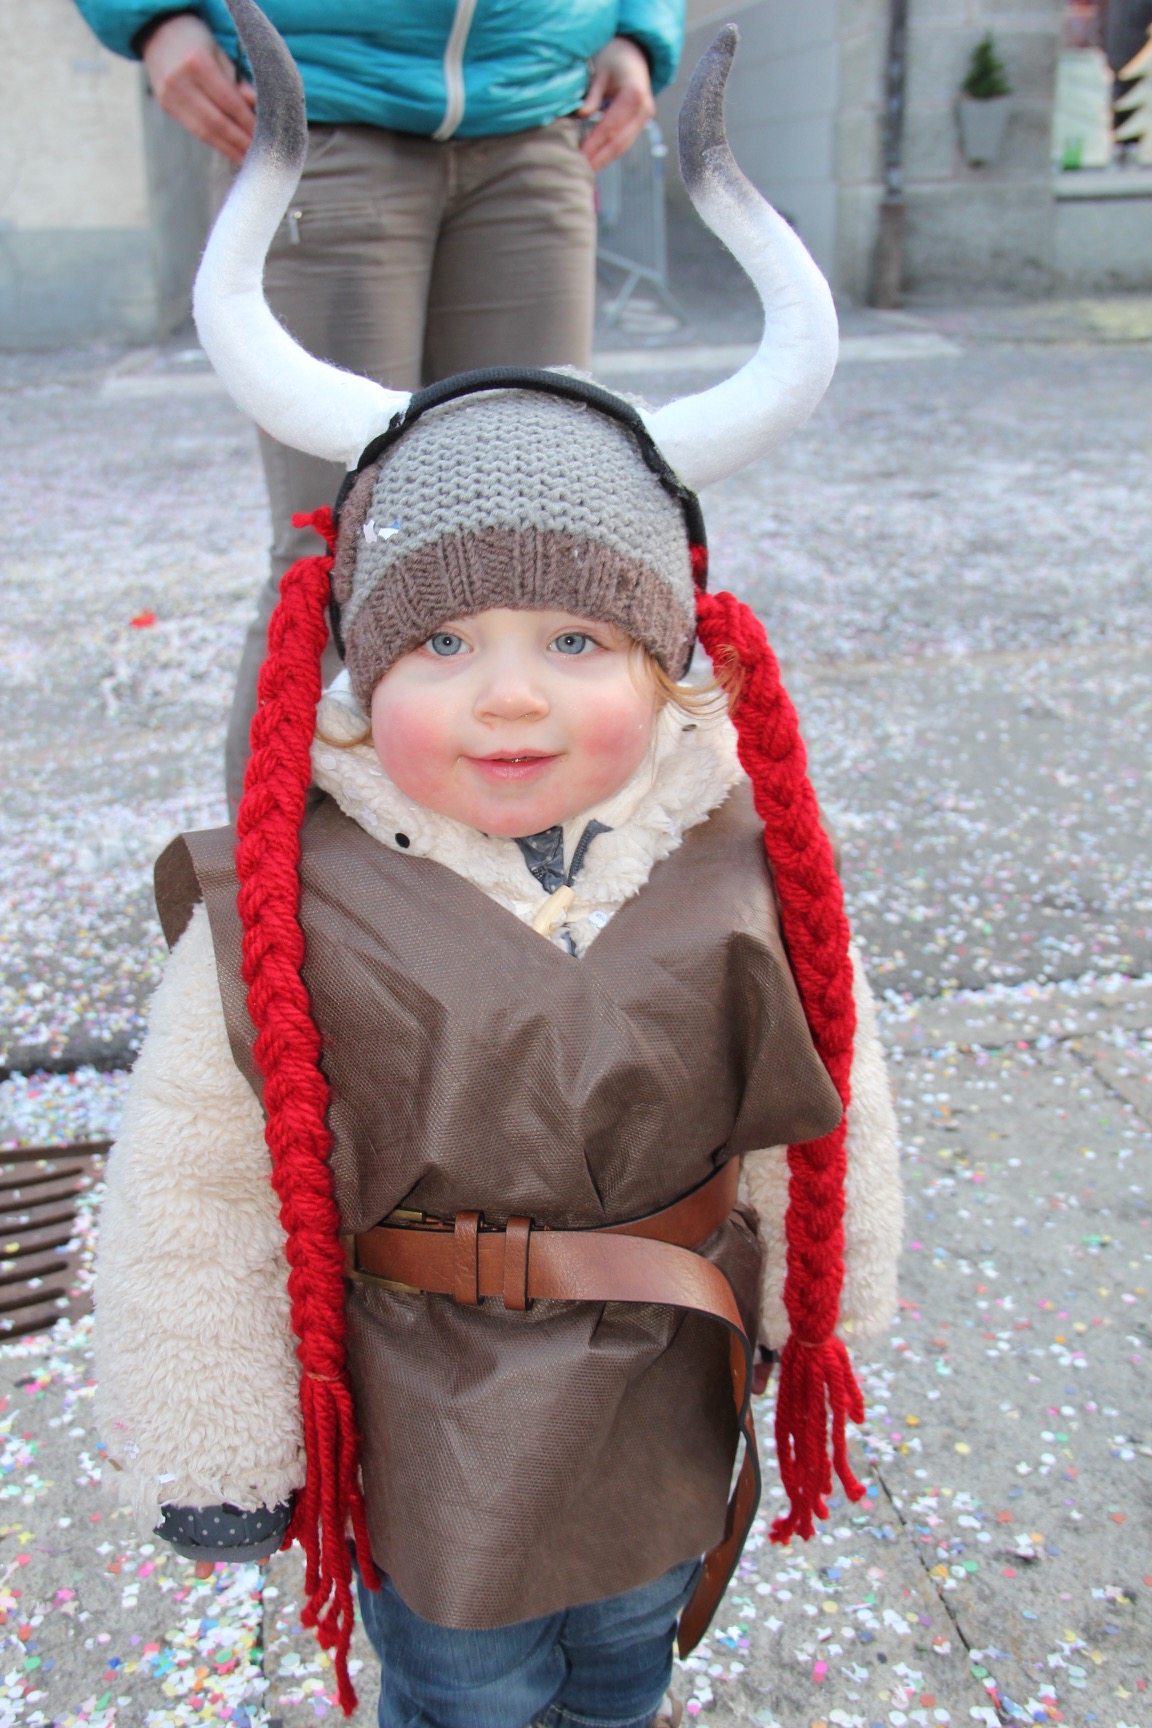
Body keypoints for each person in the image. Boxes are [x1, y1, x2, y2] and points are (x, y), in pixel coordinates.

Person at [92, 7, 903, 1727]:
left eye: (577, 640)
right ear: (350, 666)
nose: (511, 695)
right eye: (441, 641)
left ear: (677, 665)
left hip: (660, 1394)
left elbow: (829, 1102)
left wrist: (824, 1303)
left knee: (626, 1664)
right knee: (462, 1688)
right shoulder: (283, 919)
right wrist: (217, 1433)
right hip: (435, 1421)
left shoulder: (742, 868)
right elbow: (197, 1182)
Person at [73, 0, 683, 813]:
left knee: (541, 548)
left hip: (537, 115)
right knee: (331, 554)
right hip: (318, 103)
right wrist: (155, 16)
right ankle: (280, 881)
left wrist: (638, 26)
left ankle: (514, 884)